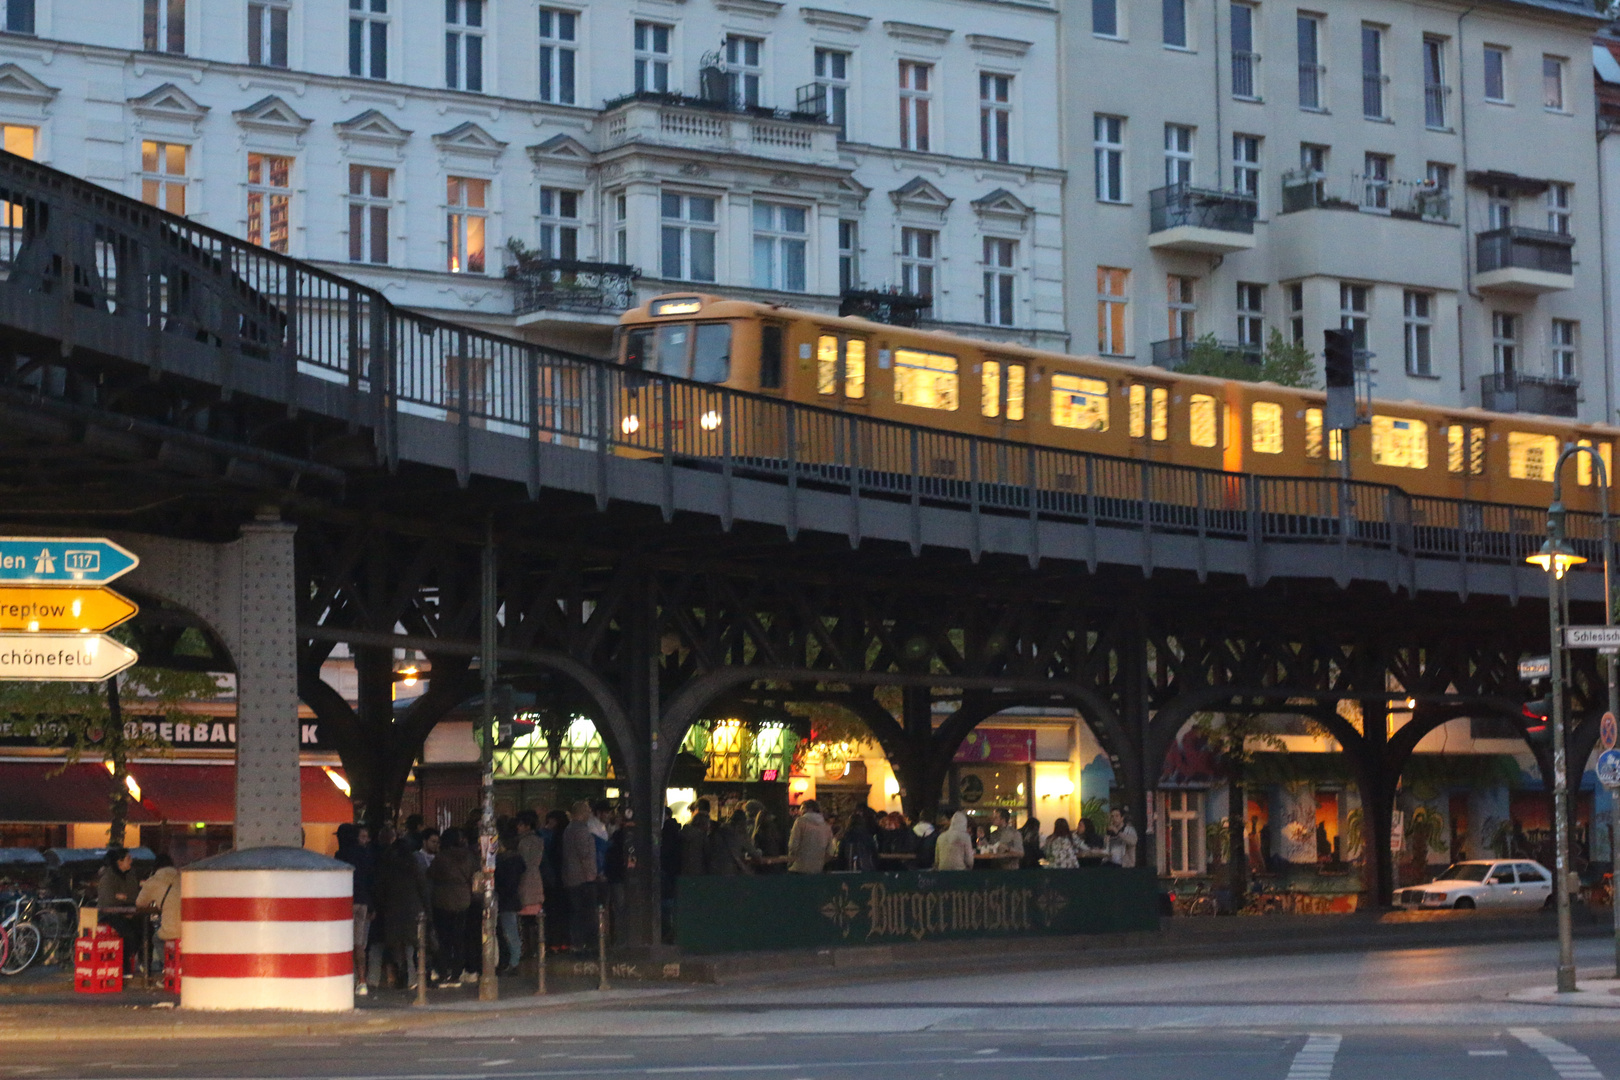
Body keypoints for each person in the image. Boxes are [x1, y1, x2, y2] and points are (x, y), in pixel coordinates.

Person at [426, 827, 478, 987]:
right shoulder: (469, 856)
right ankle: (458, 972)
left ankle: (443, 970)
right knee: (460, 938)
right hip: (464, 899)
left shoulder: (441, 858)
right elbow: (475, 875)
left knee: (443, 938)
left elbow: (430, 875)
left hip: (443, 900)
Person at [376, 836, 430, 989]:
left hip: (393, 911)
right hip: (414, 910)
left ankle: (401, 973)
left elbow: (380, 890)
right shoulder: (415, 867)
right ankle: (414, 977)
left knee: (397, 945)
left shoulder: (387, 867)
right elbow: (423, 891)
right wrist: (427, 911)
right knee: (414, 945)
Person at [334, 823, 375, 995]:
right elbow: (371, 879)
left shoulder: (340, 854)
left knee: (344, 942)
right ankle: (362, 982)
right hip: (364, 901)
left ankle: (346, 979)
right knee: (359, 944)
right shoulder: (365, 853)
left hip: (346, 901)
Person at [96, 847, 143, 975]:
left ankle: (144, 964)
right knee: (127, 933)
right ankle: (124, 968)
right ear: (119, 862)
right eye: (128, 858)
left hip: (129, 912)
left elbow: (135, 896)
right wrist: (125, 900)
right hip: (109, 914)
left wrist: (123, 897)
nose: (131, 861)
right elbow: (109, 900)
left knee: (145, 928)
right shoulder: (108, 877)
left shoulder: (131, 874)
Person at [562, 801, 600, 952]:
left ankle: (577, 944)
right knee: (586, 913)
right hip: (583, 879)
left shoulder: (569, 829)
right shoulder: (581, 830)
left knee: (576, 913)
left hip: (571, 878)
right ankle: (588, 945)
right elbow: (585, 854)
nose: (590, 814)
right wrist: (591, 874)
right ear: (582, 813)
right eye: (588, 811)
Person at [135, 852, 181, 967]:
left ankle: (169, 969)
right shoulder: (181, 876)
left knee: (157, 939)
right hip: (192, 928)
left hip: (173, 928)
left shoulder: (154, 880)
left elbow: (140, 903)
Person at [515, 809, 546, 961]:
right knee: (534, 918)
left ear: (527, 826)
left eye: (520, 825)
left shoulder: (523, 842)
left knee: (524, 918)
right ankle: (536, 949)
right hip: (536, 880)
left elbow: (522, 863)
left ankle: (527, 949)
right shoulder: (539, 840)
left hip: (524, 880)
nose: (518, 828)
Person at [493, 832, 524, 973]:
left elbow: (505, 884)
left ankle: (513, 961)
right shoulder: (515, 861)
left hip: (505, 900)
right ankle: (513, 960)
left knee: (509, 931)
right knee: (510, 930)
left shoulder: (504, 862)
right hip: (510, 899)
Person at [786, 799, 833, 873]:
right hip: (818, 869)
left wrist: (790, 861)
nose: (800, 811)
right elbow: (830, 851)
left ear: (808, 809)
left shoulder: (800, 822)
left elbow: (793, 845)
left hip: (799, 867)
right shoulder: (826, 826)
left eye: (801, 808)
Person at [716, 809, 762, 875]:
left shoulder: (721, 829)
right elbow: (754, 854)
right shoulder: (740, 833)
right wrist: (760, 851)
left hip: (715, 869)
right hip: (732, 871)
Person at [680, 800, 714, 877]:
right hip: (700, 872)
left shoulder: (685, 831)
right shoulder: (702, 835)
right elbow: (708, 854)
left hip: (684, 871)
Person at [840, 807, 879, 872]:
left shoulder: (847, 836)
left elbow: (841, 855)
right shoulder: (867, 836)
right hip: (866, 868)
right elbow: (874, 853)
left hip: (850, 867)